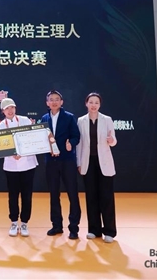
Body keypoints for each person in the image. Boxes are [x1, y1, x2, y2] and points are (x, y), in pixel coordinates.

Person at [76, 92, 118, 243]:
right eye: (91, 102)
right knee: (91, 197)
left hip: (104, 163)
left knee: (106, 197)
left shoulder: (107, 119)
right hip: (88, 163)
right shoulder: (81, 121)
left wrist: (111, 140)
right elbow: (79, 144)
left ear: (100, 105)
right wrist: (79, 163)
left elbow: (114, 141)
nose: (93, 105)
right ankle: (94, 229)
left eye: (96, 102)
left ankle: (109, 231)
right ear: (86, 103)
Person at [40, 90, 81, 240]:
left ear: (61, 102)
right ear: (47, 103)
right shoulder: (44, 119)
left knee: (72, 194)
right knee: (53, 194)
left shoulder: (69, 117)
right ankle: (56, 225)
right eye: (51, 99)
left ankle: (74, 228)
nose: (54, 102)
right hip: (51, 161)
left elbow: (76, 136)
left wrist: (71, 143)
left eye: (57, 99)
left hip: (67, 160)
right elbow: (41, 139)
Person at [0, 98, 38, 238]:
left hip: (28, 164)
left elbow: (32, 140)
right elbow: (2, 145)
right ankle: (14, 222)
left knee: (27, 195)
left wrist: (23, 152)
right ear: (2, 111)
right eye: (7, 108)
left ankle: (24, 222)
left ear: (15, 108)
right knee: (13, 195)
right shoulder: (1, 126)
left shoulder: (25, 121)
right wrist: (12, 153)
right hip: (11, 165)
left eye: (12, 107)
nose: (10, 110)